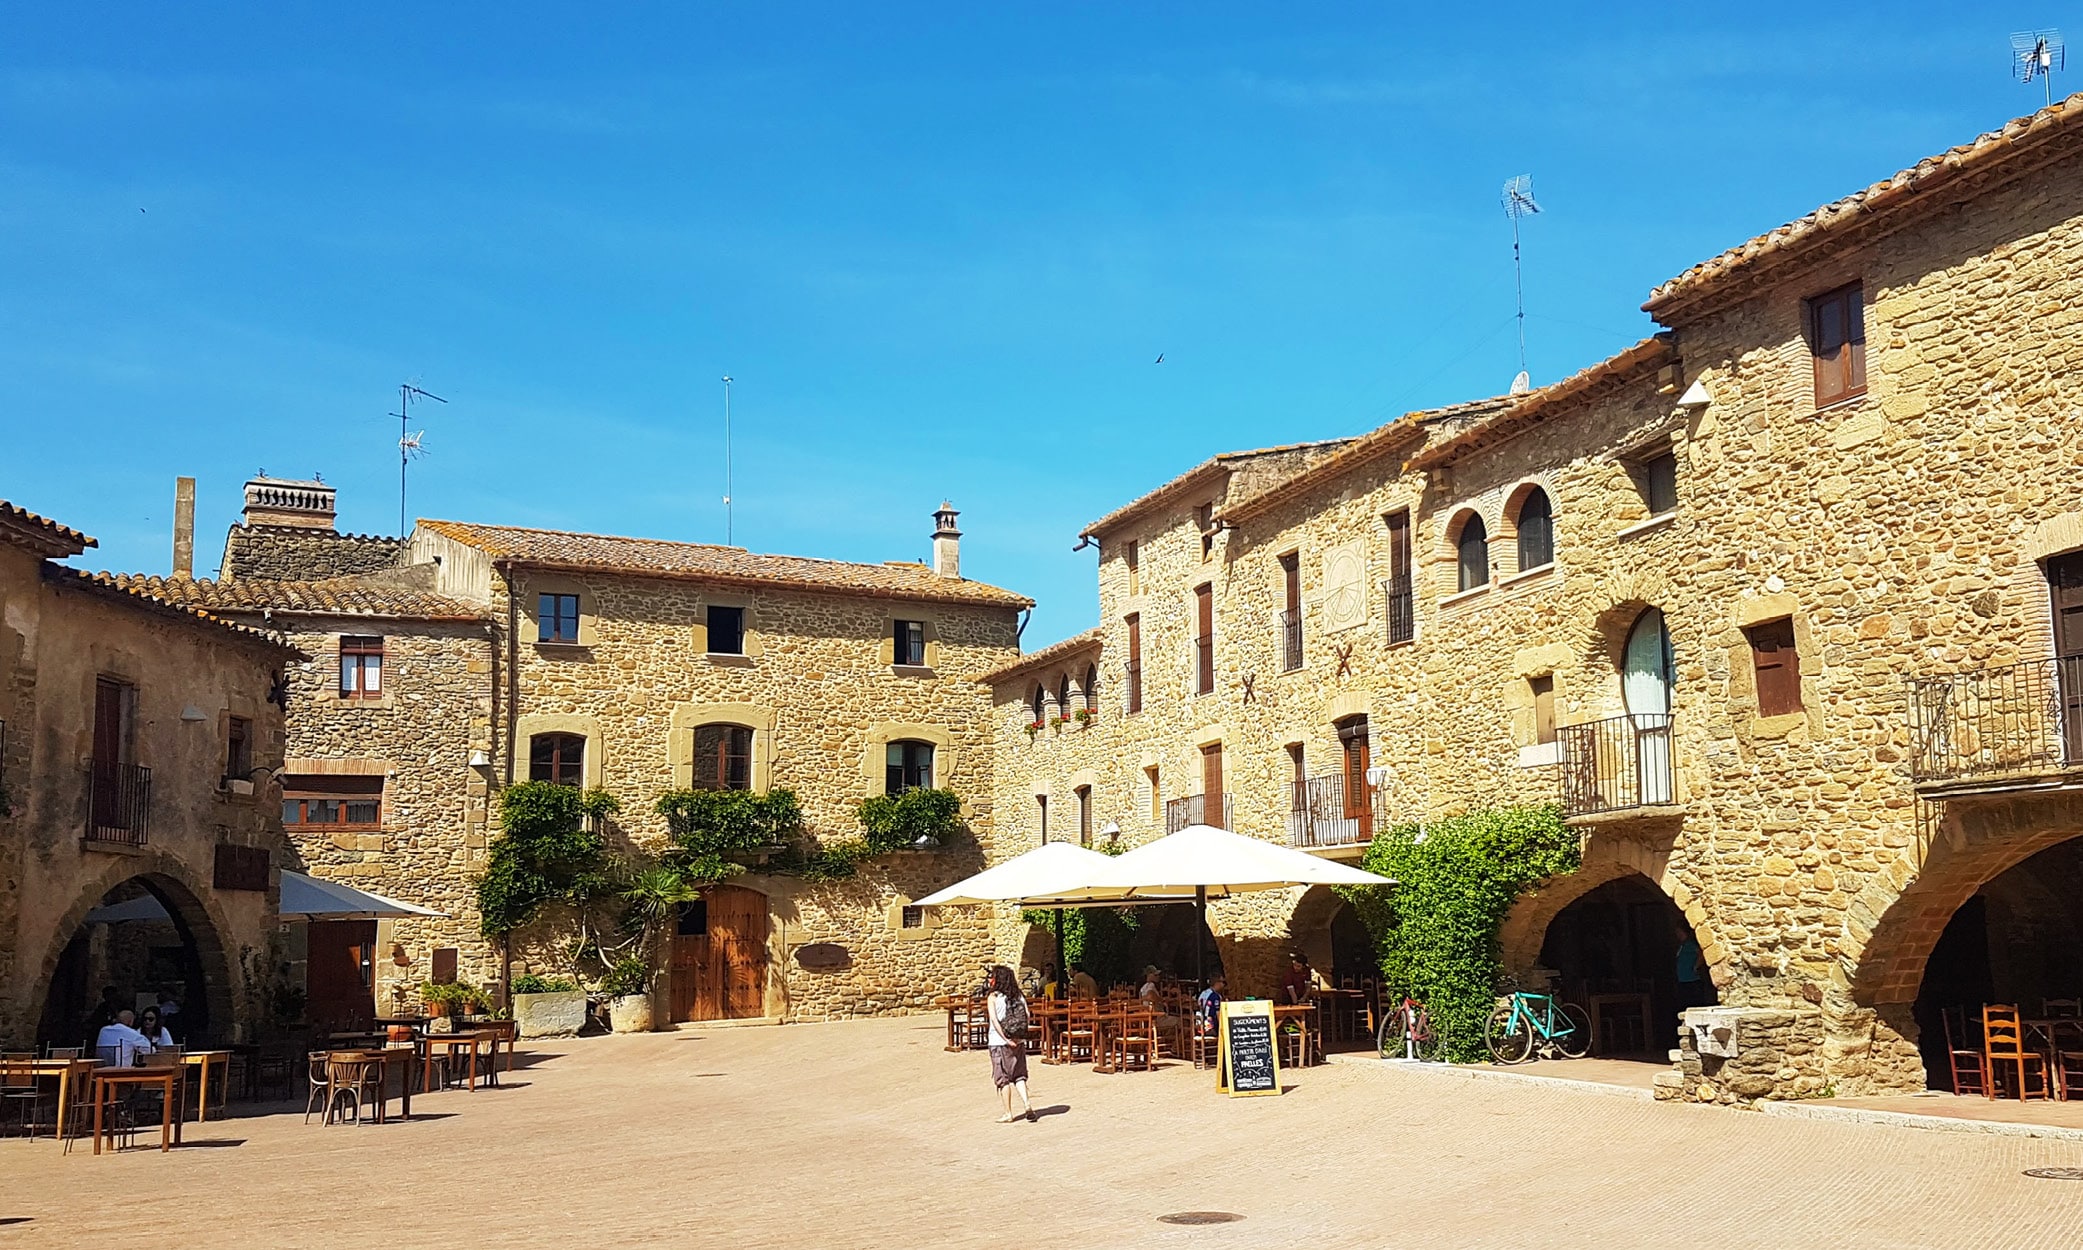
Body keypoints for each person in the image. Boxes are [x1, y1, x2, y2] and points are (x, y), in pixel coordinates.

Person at [984, 965, 1034, 1124]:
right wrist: (1019, 1037)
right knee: (1019, 1075)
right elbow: (1027, 1015)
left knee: (1003, 1078)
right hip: (1018, 1040)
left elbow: (994, 1020)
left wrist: (1005, 1039)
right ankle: (1027, 1104)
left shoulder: (993, 997)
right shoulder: (1018, 995)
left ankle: (1008, 1112)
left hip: (999, 1042)